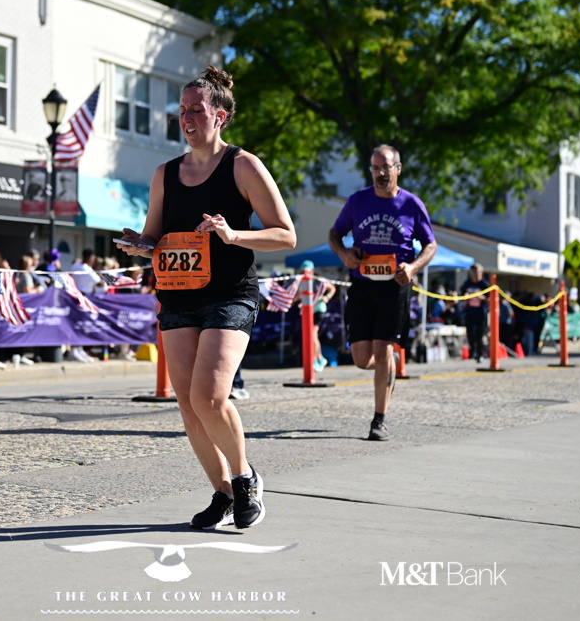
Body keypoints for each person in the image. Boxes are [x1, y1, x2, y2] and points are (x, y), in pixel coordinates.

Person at [117, 65, 296, 531]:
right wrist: (140, 244)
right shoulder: (165, 173)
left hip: (229, 294)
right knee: (189, 405)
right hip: (178, 296)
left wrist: (233, 235)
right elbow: (155, 236)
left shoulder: (243, 166)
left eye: (196, 109)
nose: (187, 118)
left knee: (210, 396)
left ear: (220, 116)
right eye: (182, 110)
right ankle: (222, 493)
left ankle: (245, 478)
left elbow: (285, 234)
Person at [328, 144, 437, 441]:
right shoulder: (357, 201)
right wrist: (345, 254)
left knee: (383, 347)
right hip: (362, 283)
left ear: (398, 169)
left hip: (395, 285)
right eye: (375, 168)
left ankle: (379, 420)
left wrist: (412, 267)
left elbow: (430, 245)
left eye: (386, 167)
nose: (380, 173)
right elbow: (335, 234)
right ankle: (389, 365)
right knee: (362, 358)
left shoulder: (411, 204)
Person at [298, 260, 337, 372]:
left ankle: (315, 359)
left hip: (318, 309)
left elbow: (332, 288)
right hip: (307, 311)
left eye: (308, 271)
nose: (306, 273)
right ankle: (320, 358)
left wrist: (327, 297)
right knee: (311, 336)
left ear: (313, 270)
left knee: (312, 334)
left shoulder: (318, 280)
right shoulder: (301, 281)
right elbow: (298, 295)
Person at [460, 263, 490, 362]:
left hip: (481, 313)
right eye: (473, 271)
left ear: (481, 272)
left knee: (480, 334)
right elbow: (462, 294)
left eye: (476, 271)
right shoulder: (467, 283)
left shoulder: (484, 284)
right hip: (469, 312)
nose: (475, 273)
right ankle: (472, 350)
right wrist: (465, 297)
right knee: (470, 333)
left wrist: (481, 297)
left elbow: (490, 298)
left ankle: (481, 353)